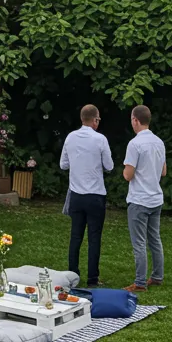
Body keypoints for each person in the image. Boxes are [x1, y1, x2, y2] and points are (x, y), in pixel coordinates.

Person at [59, 104, 114, 287]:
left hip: (76, 195)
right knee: (94, 237)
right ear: (95, 120)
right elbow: (109, 166)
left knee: (75, 236)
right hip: (95, 195)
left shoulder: (70, 137)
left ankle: (72, 274)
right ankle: (92, 278)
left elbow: (63, 165)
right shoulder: (100, 139)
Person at [123, 105, 166, 291]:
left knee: (139, 242)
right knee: (154, 239)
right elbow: (163, 171)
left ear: (135, 120)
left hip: (139, 199)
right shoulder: (159, 142)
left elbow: (128, 175)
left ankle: (140, 282)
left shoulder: (134, 144)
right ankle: (157, 276)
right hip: (156, 198)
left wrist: (124, 169)